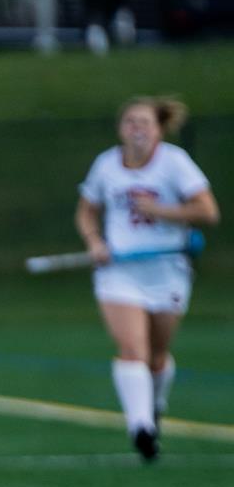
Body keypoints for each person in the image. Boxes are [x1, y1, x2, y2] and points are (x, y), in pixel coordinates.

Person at [74, 96, 219, 461]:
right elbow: (87, 211)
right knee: (132, 350)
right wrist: (94, 242)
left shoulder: (174, 163)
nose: (137, 129)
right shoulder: (107, 164)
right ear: (120, 127)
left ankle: (153, 408)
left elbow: (207, 212)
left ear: (158, 128)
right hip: (119, 272)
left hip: (167, 271)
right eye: (130, 122)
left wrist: (161, 210)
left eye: (144, 122)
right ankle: (140, 427)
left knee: (156, 356)